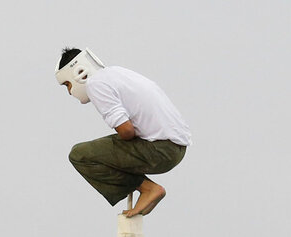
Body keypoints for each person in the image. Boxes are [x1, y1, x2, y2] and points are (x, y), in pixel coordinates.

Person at [56, 48, 190, 216]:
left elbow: (127, 131)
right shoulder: (117, 73)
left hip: (161, 150)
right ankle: (147, 188)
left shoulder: (95, 84)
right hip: (176, 147)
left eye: (67, 84)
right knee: (103, 149)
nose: (69, 91)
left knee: (80, 155)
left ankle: (148, 189)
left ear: (79, 73)